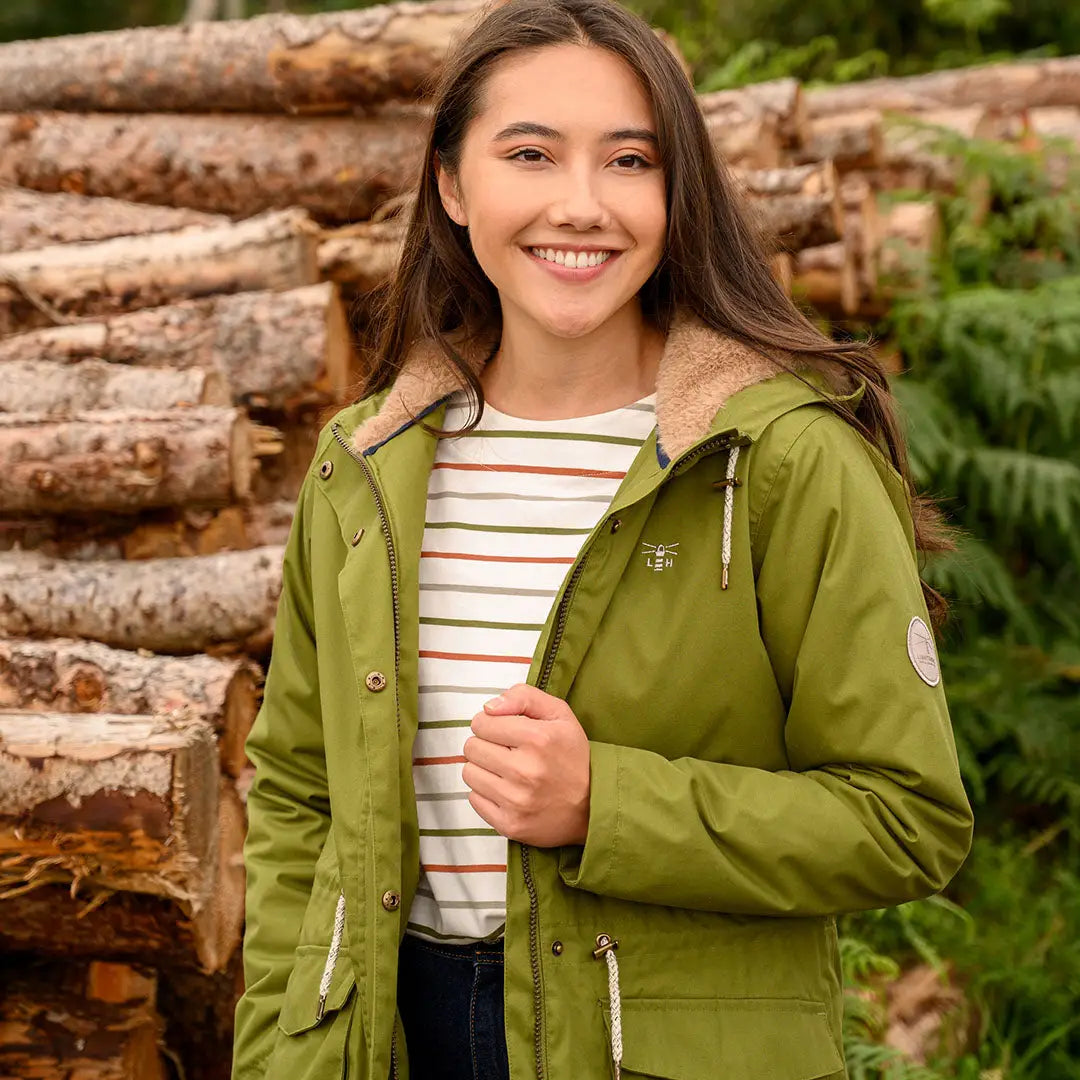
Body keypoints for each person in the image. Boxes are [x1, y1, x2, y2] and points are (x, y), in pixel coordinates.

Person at [231, 1, 974, 1077]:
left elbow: (906, 820)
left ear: (677, 195)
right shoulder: (366, 464)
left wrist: (606, 803)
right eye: (529, 153)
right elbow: (301, 796)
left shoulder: (783, 460)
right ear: (451, 183)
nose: (580, 206)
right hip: (392, 1035)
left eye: (630, 160)